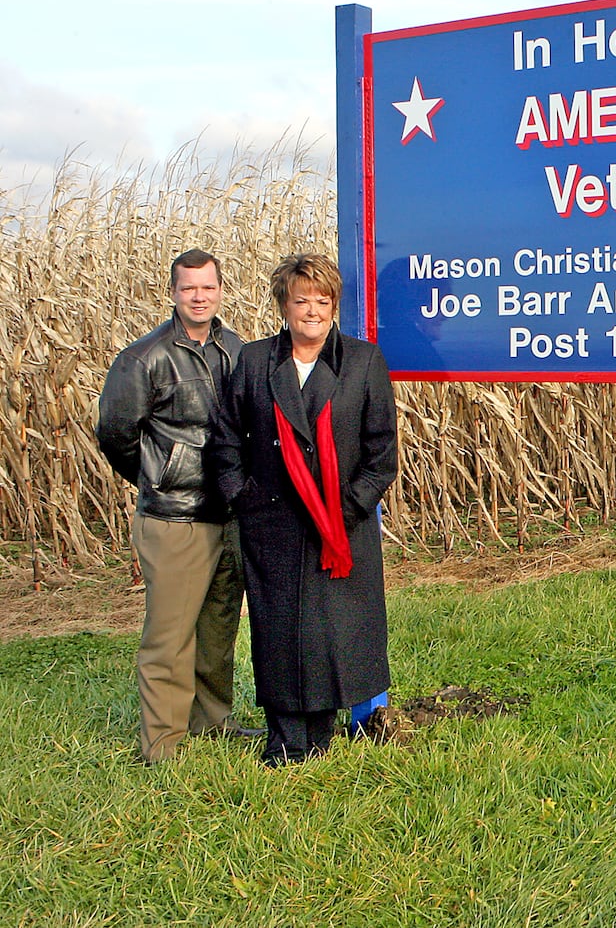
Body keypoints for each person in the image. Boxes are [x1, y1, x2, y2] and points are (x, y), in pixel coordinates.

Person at [210, 254, 399, 766]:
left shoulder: (362, 362)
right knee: (278, 629)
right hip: (271, 525)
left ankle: (324, 730)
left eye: (321, 300)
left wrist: (347, 509)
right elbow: (225, 442)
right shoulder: (253, 362)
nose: (311, 310)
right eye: (301, 300)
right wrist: (244, 497)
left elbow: (382, 455)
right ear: (283, 305)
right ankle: (286, 738)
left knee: (333, 629)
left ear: (334, 305)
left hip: (340, 526)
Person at [97, 248, 259, 763]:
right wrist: (159, 476)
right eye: (189, 288)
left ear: (219, 290)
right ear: (173, 292)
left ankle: (212, 722)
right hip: (174, 518)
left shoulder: (235, 349)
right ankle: (162, 744)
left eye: (207, 287)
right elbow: (116, 434)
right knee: (169, 637)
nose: (199, 296)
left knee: (218, 629)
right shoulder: (143, 358)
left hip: (227, 514)